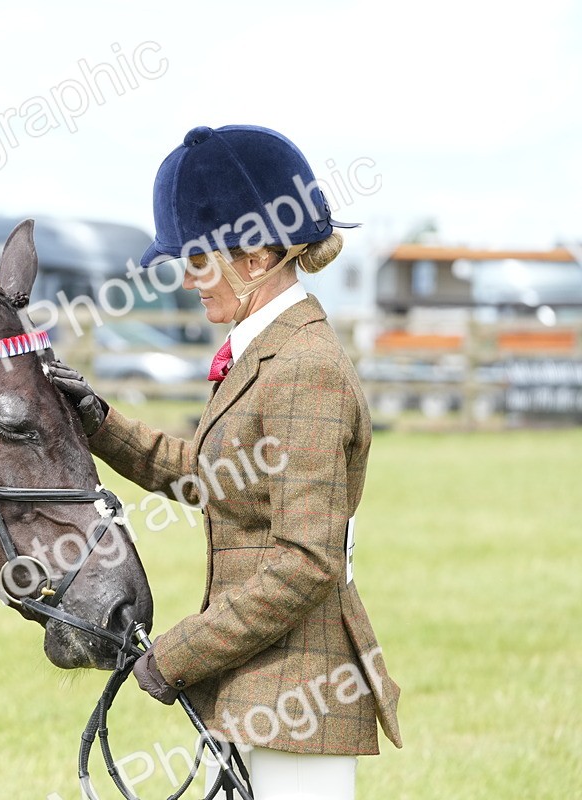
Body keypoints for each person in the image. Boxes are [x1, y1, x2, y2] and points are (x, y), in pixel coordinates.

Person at [50, 125, 401, 799]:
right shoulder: (267, 353)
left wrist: (177, 656)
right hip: (256, 684)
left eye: (198, 258)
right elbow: (216, 477)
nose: (186, 278)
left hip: (300, 696)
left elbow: (308, 562)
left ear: (260, 253)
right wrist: (97, 420)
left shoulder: (304, 367)